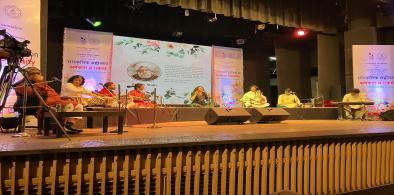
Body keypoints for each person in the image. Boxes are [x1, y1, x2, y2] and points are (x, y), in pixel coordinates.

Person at [13, 67, 83, 134]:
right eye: (33, 74)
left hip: (57, 101)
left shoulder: (43, 83)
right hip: (43, 104)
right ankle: (61, 127)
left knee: (78, 106)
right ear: (27, 75)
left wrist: (62, 97)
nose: (36, 75)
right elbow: (35, 93)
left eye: (38, 73)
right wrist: (39, 82)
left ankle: (67, 125)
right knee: (68, 106)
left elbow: (54, 94)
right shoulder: (21, 85)